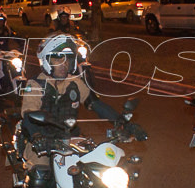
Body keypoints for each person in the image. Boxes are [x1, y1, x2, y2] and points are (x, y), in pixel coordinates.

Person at [20, 33, 146, 166]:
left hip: (71, 139)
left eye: (68, 59)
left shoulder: (75, 83)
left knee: (93, 170)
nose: (64, 64)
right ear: (46, 60)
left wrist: (123, 123)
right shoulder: (35, 85)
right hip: (44, 142)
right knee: (40, 174)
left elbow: (95, 104)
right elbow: (28, 115)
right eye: (58, 59)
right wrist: (36, 137)